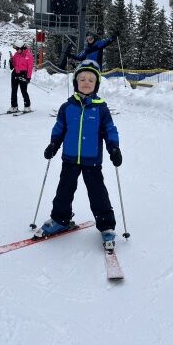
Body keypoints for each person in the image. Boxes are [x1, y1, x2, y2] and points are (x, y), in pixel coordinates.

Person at [34, 60, 122, 250]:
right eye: (82, 79)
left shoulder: (101, 109)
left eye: (91, 80)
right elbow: (59, 128)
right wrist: (53, 144)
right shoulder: (67, 107)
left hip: (92, 160)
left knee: (98, 194)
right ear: (76, 82)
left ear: (96, 84)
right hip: (70, 159)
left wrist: (113, 147)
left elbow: (109, 130)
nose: (86, 82)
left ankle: (106, 226)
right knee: (64, 191)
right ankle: (60, 219)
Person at [8, 40, 34, 113]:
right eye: (16, 49)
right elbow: (13, 66)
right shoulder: (16, 54)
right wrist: (11, 61)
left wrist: (28, 77)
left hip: (23, 74)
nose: (16, 50)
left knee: (23, 91)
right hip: (15, 73)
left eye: (17, 49)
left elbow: (30, 67)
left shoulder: (28, 55)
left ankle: (27, 106)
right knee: (14, 90)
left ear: (21, 48)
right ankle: (14, 106)